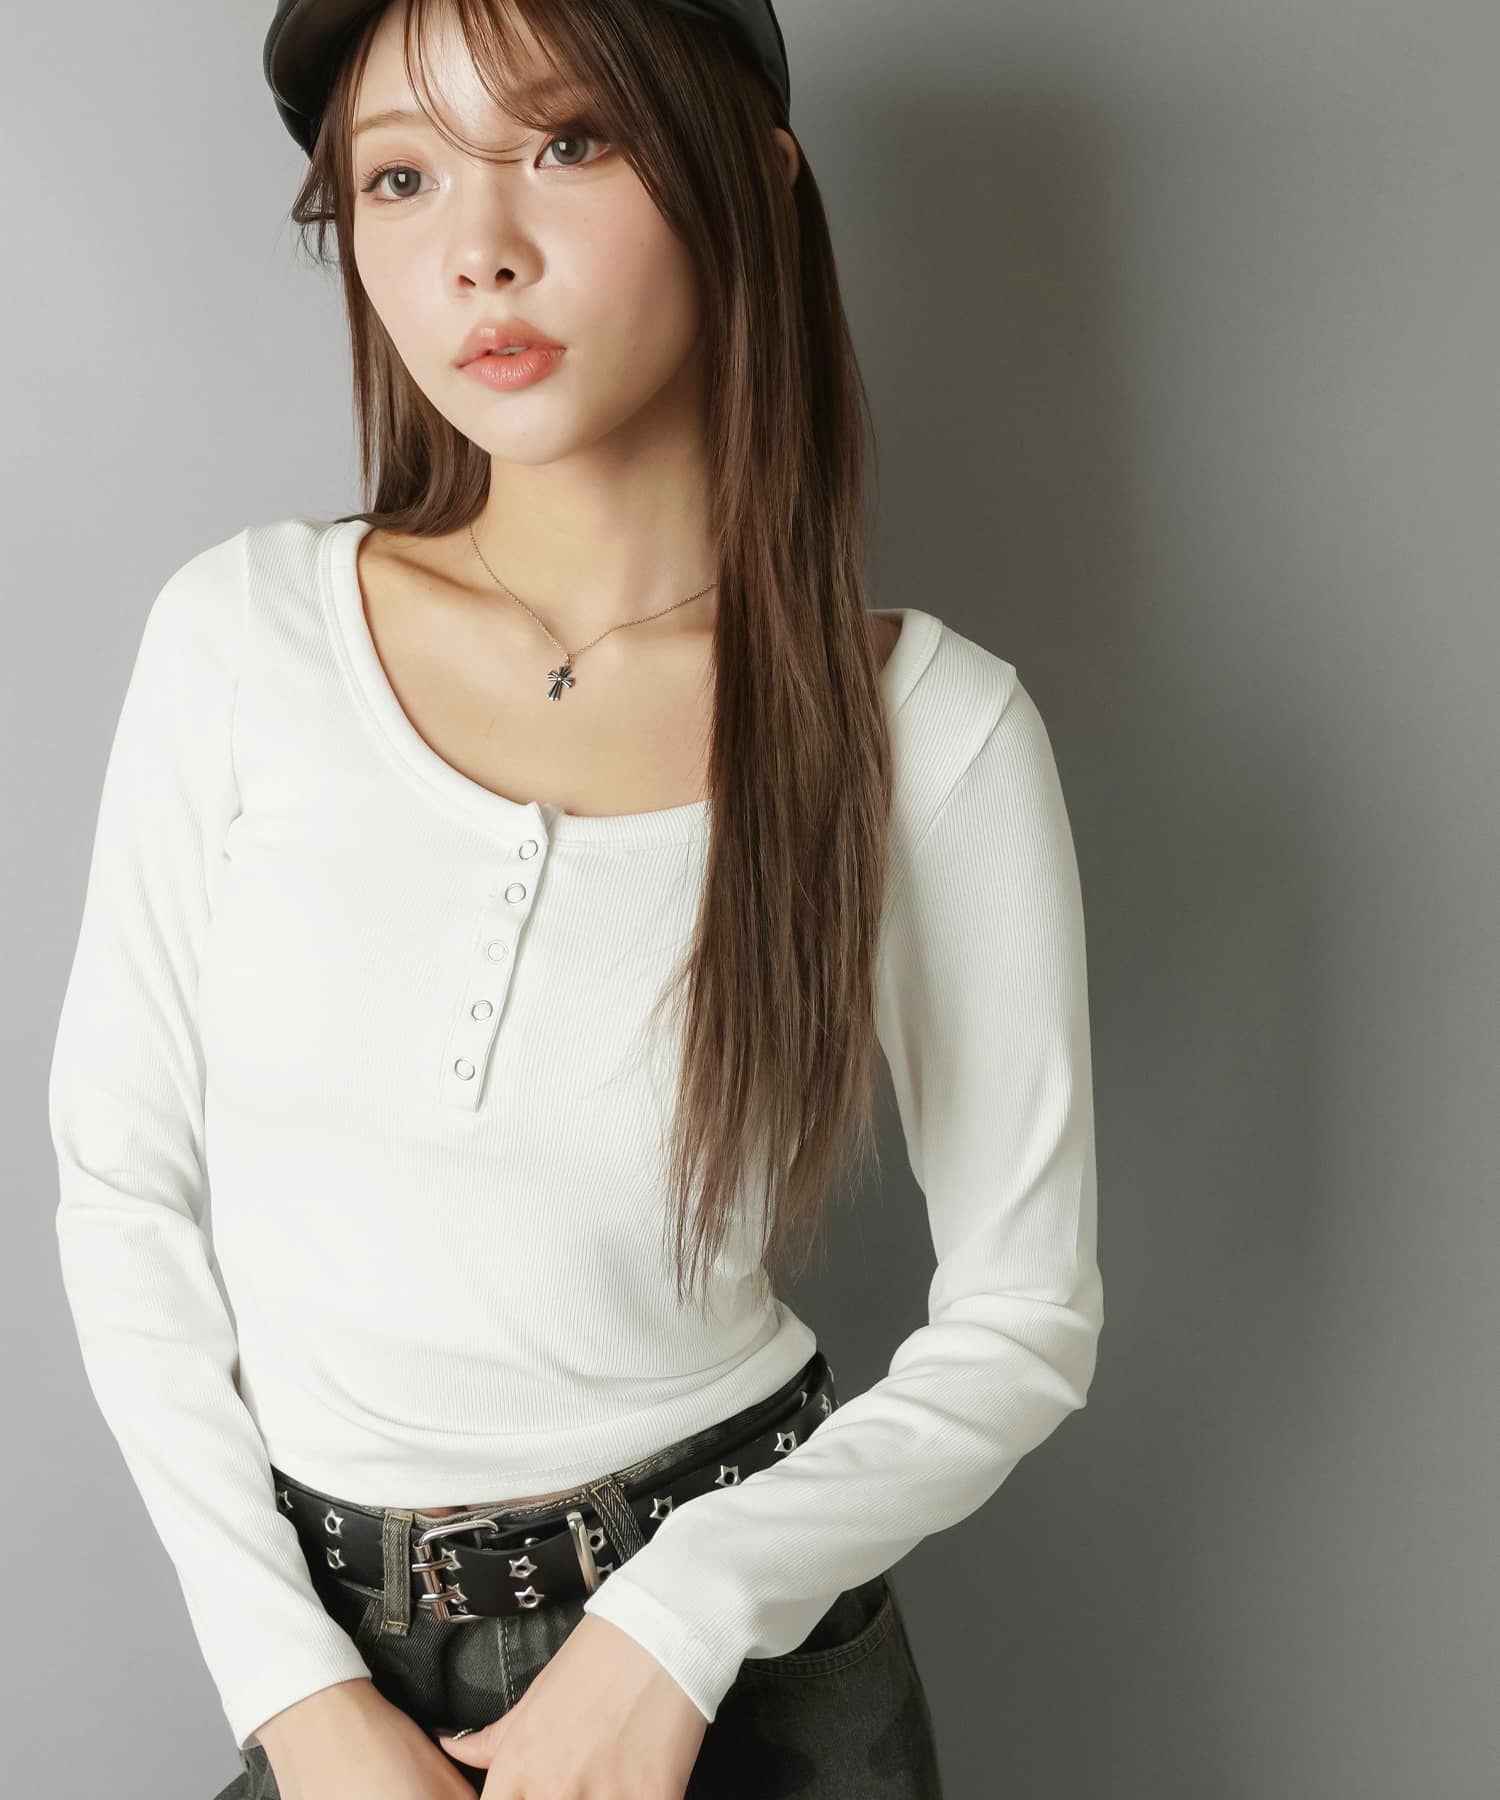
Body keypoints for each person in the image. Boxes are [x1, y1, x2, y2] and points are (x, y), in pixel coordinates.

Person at [45, 1, 1104, 1795]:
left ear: (749, 177)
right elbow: (119, 1189)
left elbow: (1026, 1319)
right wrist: (296, 1696)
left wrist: (678, 1622)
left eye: (568, 142)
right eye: (400, 176)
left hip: (730, 1672)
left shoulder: (926, 731)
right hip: (330, 1673)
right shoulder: (242, 637)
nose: (479, 249)